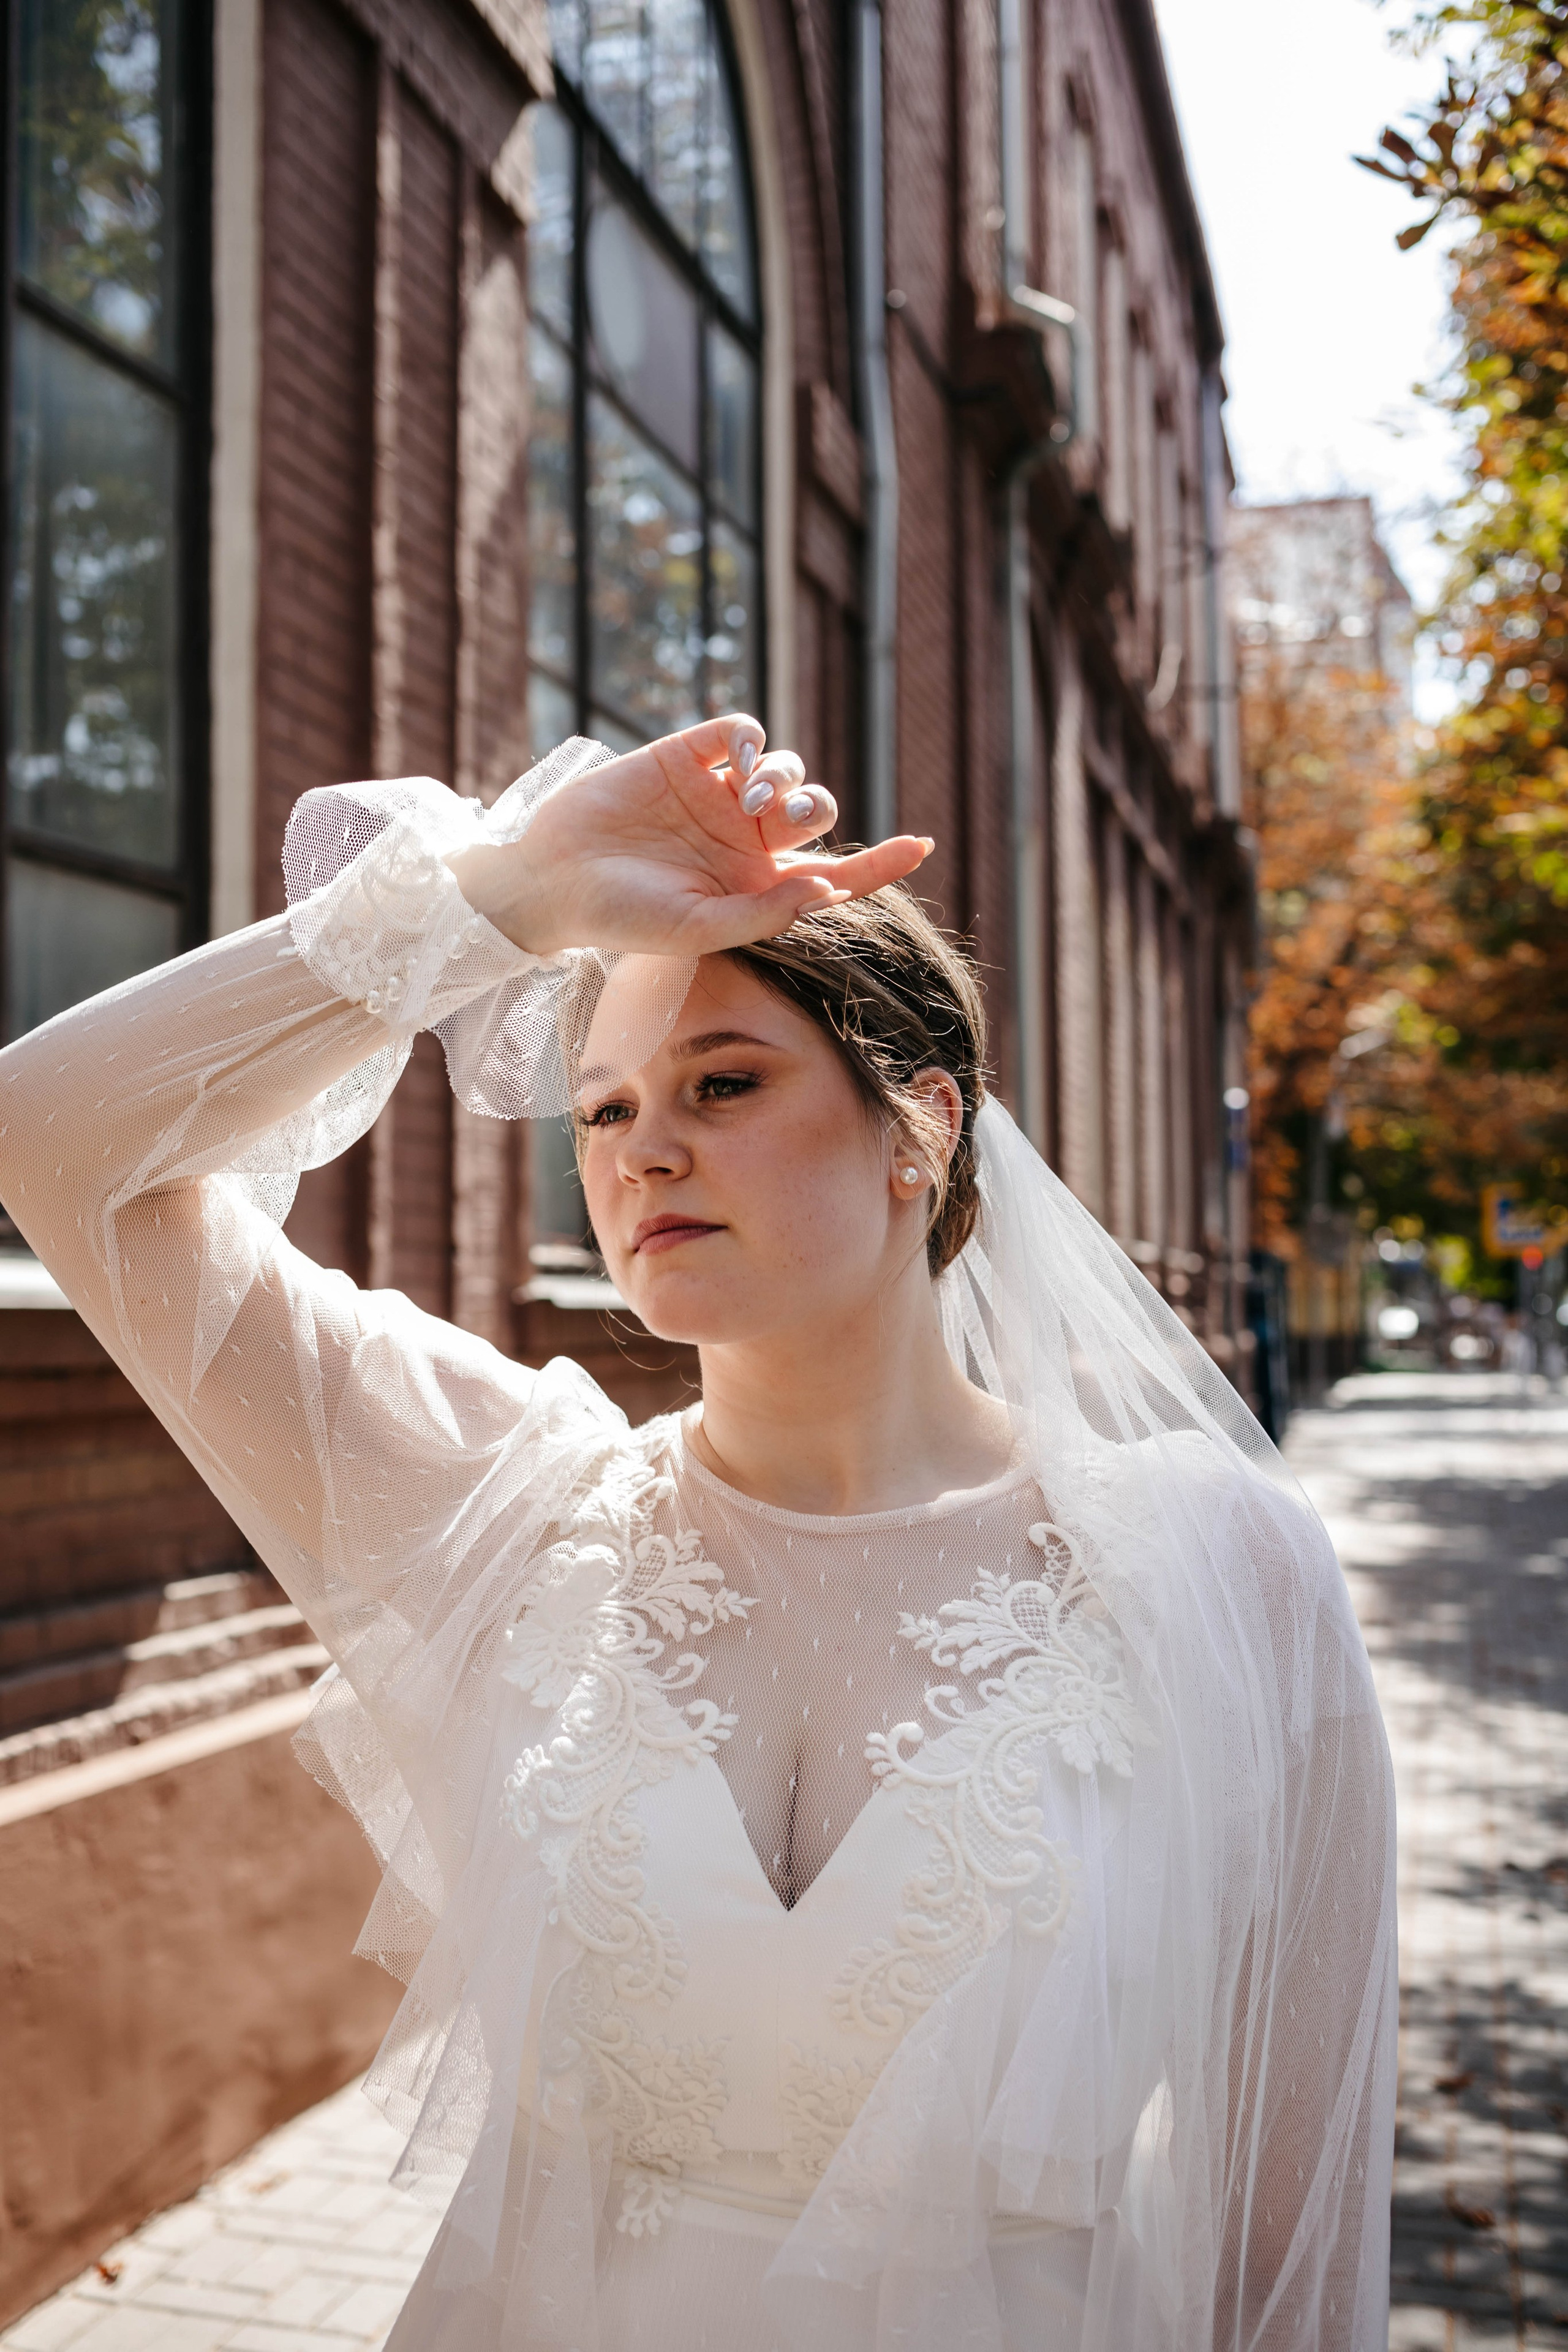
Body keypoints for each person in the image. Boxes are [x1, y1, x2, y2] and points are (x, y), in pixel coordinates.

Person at [0, 718, 1396, 2351]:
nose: (643, 1147)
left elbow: (1291, 2234)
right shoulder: (501, 1508)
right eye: (599, 1112)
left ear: (921, 1129)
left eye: (723, 1082)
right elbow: (53, 1140)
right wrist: (514, 893)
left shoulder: (1222, 1574)